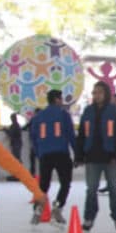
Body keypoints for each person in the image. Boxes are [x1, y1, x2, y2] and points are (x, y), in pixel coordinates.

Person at [75, 80, 116, 232]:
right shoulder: (87, 111)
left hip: (110, 157)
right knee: (91, 189)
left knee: (114, 188)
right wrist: (79, 156)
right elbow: (81, 135)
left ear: (106, 94)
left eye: (98, 92)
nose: (95, 95)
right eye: (94, 92)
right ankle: (89, 218)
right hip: (92, 157)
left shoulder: (114, 111)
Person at [29, 89, 75, 225]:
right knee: (65, 182)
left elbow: (33, 137)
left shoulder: (38, 117)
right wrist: (78, 153)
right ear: (56, 99)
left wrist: (39, 153)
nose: (62, 102)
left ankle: (38, 209)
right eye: (61, 99)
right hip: (61, 153)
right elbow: (70, 134)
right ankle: (58, 206)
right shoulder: (63, 115)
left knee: (44, 184)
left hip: (45, 155)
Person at [5, 113, 23, 180]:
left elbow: (11, 134)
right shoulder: (16, 125)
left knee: (16, 159)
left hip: (16, 144)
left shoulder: (14, 125)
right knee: (17, 159)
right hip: (17, 144)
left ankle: (18, 174)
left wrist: (5, 130)